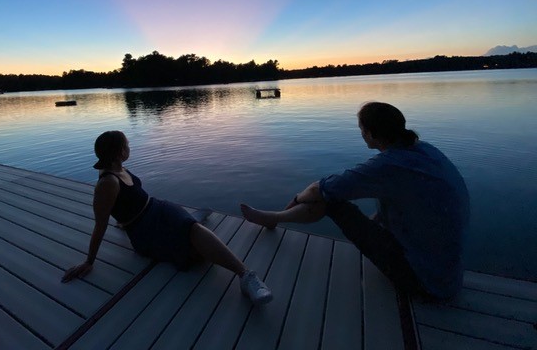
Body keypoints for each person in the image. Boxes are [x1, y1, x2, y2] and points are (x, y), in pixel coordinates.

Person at [241, 102, 470, 300]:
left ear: (370, 133)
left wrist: (296, 199)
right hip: (448, 275)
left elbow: (318, 189)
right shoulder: (425, 151)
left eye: (361, 128)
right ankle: (274, 219)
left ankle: (275, 218)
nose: (360, 133)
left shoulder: (388, 165)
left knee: (330, 200)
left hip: (424, 282)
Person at [62, 130, 272, 305]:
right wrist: (89, 261)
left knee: (193, 231)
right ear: (119, 152)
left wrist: (121, 219)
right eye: (127, 144)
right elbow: (100, 223)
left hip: (156, 208)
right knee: (197, 255)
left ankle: (244, 274)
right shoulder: (107, 183)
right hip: (145, 230)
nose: (130, 147)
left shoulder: (119, 168)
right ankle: (241, 272)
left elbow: (124, 203)